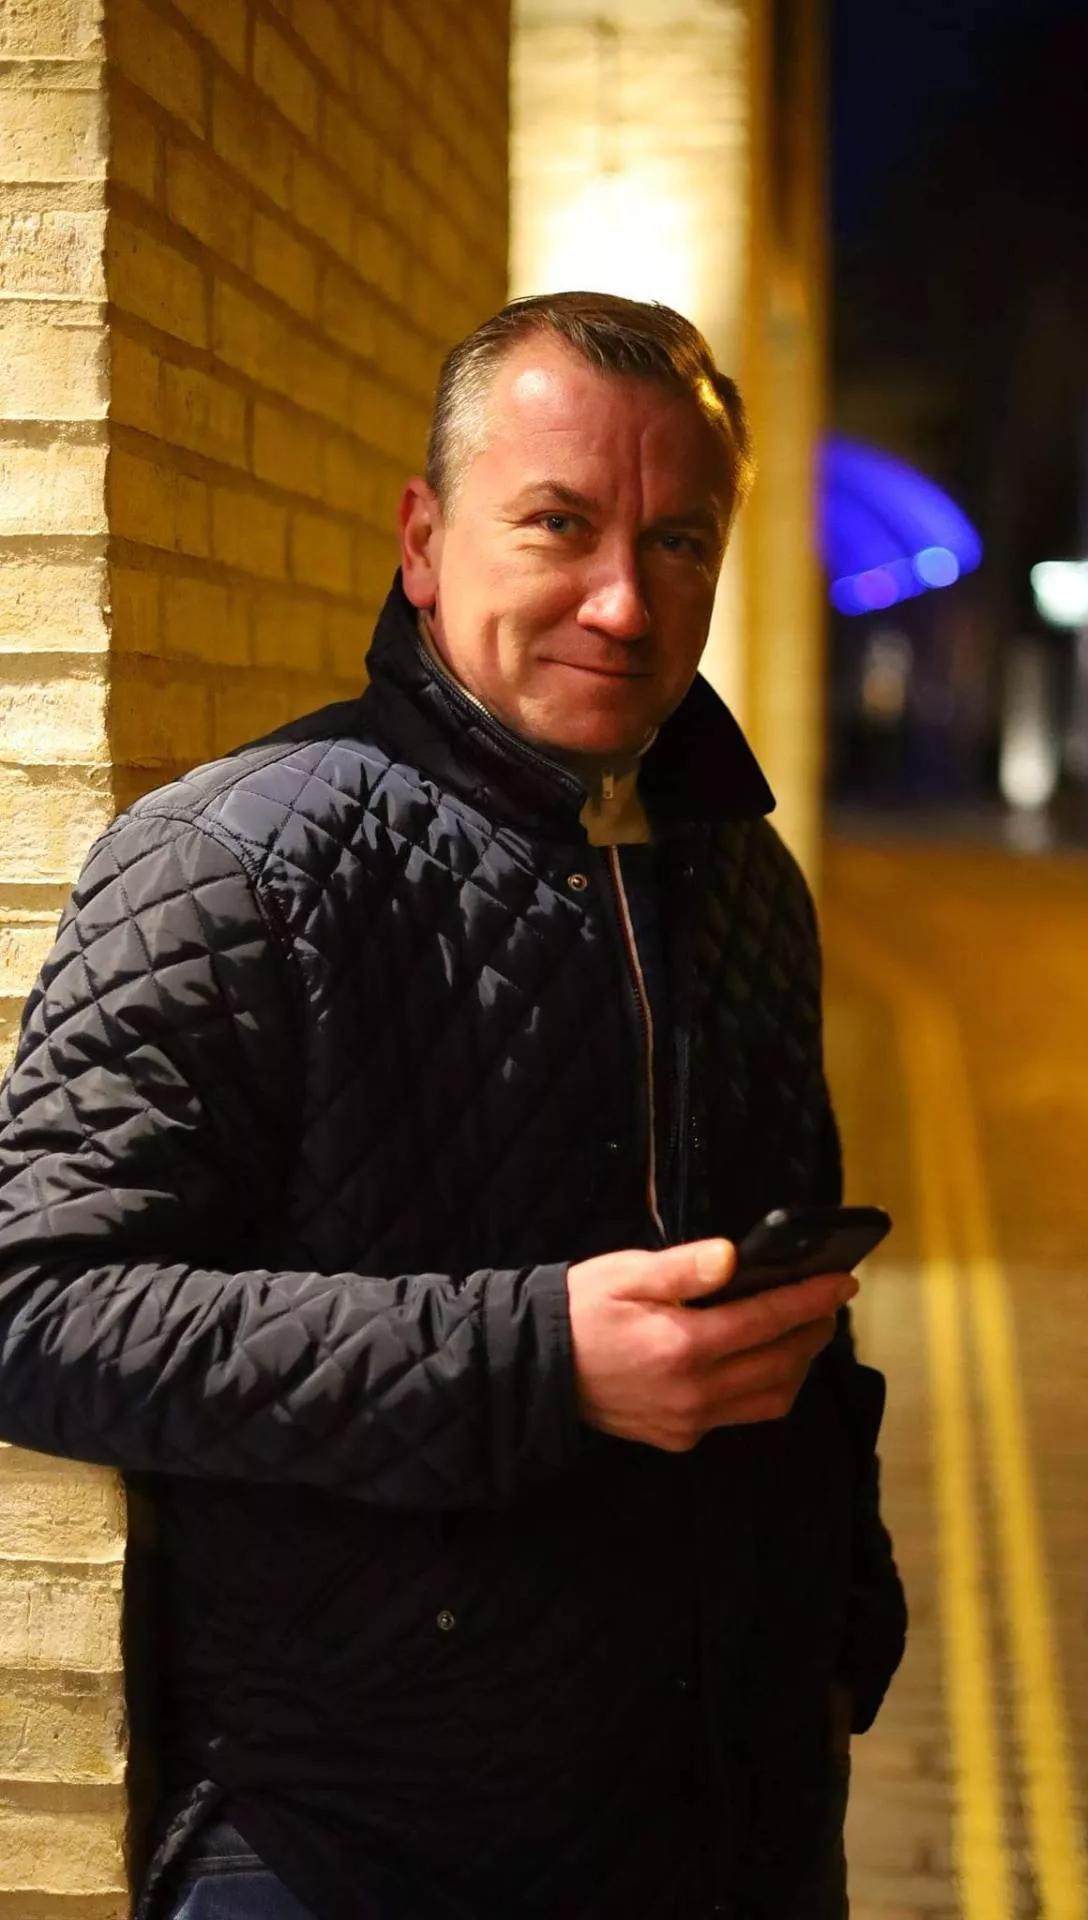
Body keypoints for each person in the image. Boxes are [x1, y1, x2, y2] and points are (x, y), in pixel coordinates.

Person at [0, 292, 906, 1920]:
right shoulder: (232, 862)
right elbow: (37, 1312)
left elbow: (797, 1323)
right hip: (359, 1834)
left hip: (738, 1815)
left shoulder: (745, 875)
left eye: (679, 541)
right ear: (425, 540)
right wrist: (538, 1357)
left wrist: (843, 1626)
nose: (625, 601)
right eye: (558, 523)